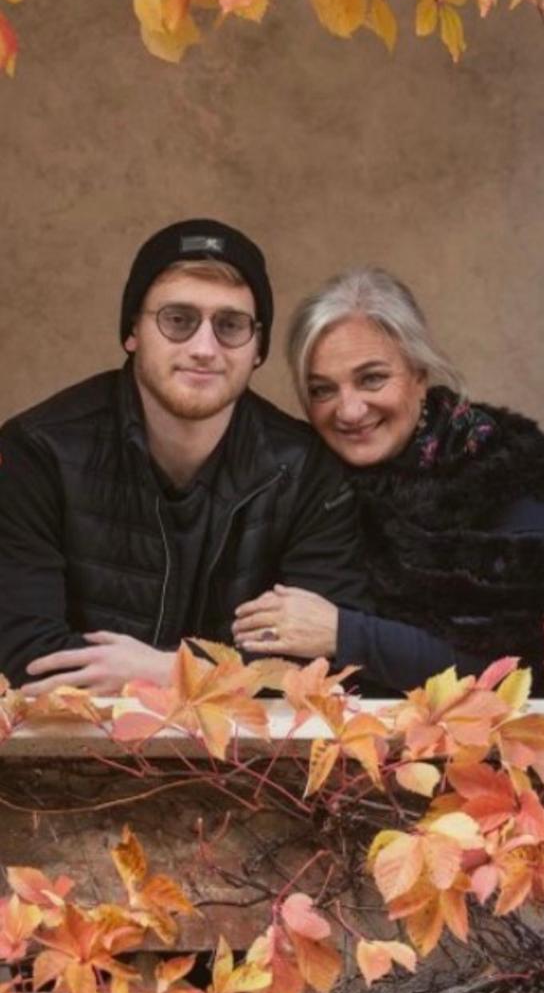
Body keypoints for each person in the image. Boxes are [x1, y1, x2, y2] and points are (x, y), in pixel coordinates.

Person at [0, 220, 369, 695]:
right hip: (76, 739)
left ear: (258, 347)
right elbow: (24, 654)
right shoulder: (38, 451)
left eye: (230, 325)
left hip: (248, 742)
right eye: (178, 320)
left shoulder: (305, 469)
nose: (203, 348)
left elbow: (324, 664)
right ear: (133, 331)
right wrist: (229, 675)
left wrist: (167, 671)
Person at [233, 266, 544, 693]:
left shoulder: (503, 470)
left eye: (372, 379)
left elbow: (514, 669)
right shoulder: (301, 478)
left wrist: (344, 634)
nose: (349, 410)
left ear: (419, 374)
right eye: (323, 389)